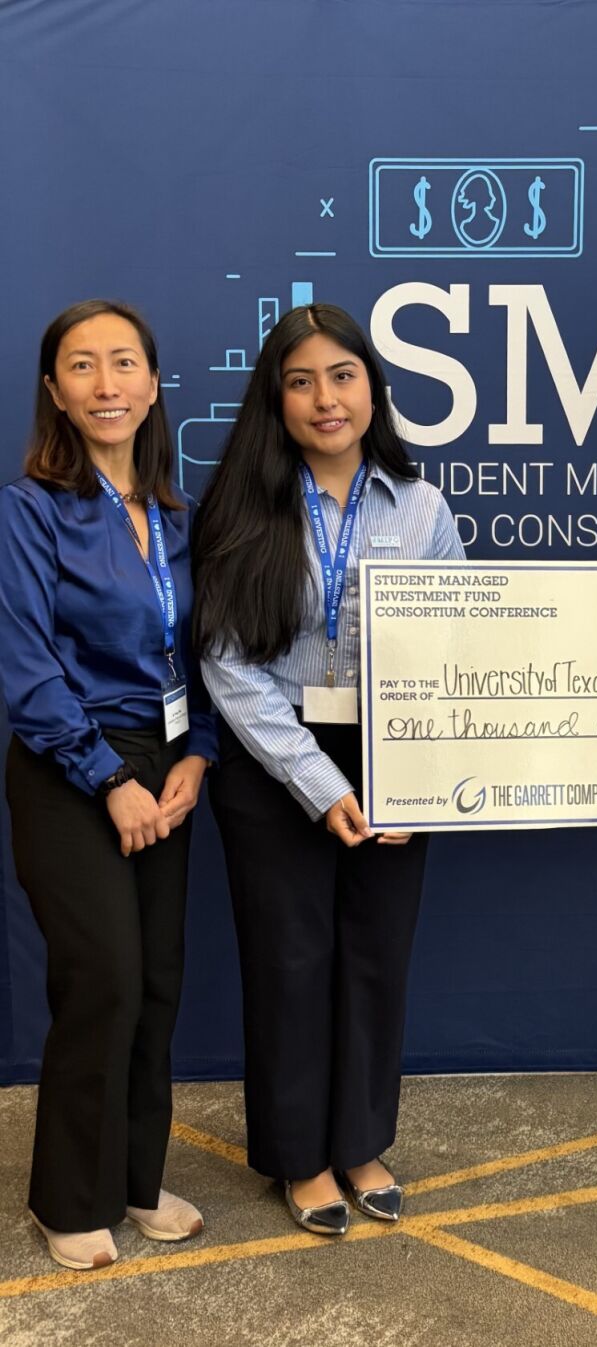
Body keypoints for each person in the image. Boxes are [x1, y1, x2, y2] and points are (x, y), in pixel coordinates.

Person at [192, 303, 465, 1236]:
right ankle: (299, 1157)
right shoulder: (241, 506)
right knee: (292, 960)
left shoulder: (421, 505)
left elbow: (453, 645)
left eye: (342, 376)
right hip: (274, 763)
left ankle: (360, 1143)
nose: (325, 398)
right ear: (277, 397)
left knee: (376, 956)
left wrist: (417, 772)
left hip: (396, 750)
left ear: (372, 388)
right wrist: (322, 784)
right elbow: (229, 667)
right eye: (301, 380)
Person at [0, 300, 216, 1269]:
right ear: (54, 391)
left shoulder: (174, 516)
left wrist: (196, 757)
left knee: (159, 984)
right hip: (68, 767)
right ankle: (67, 1198)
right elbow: (27, 667)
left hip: (164, 764)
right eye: (81, 367)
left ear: (153, 382)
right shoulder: (32, 510)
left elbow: (204, 655)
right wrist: (108, 779)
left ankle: (133, 1179)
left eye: (122, 362)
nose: (105, 384)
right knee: (105, 978)